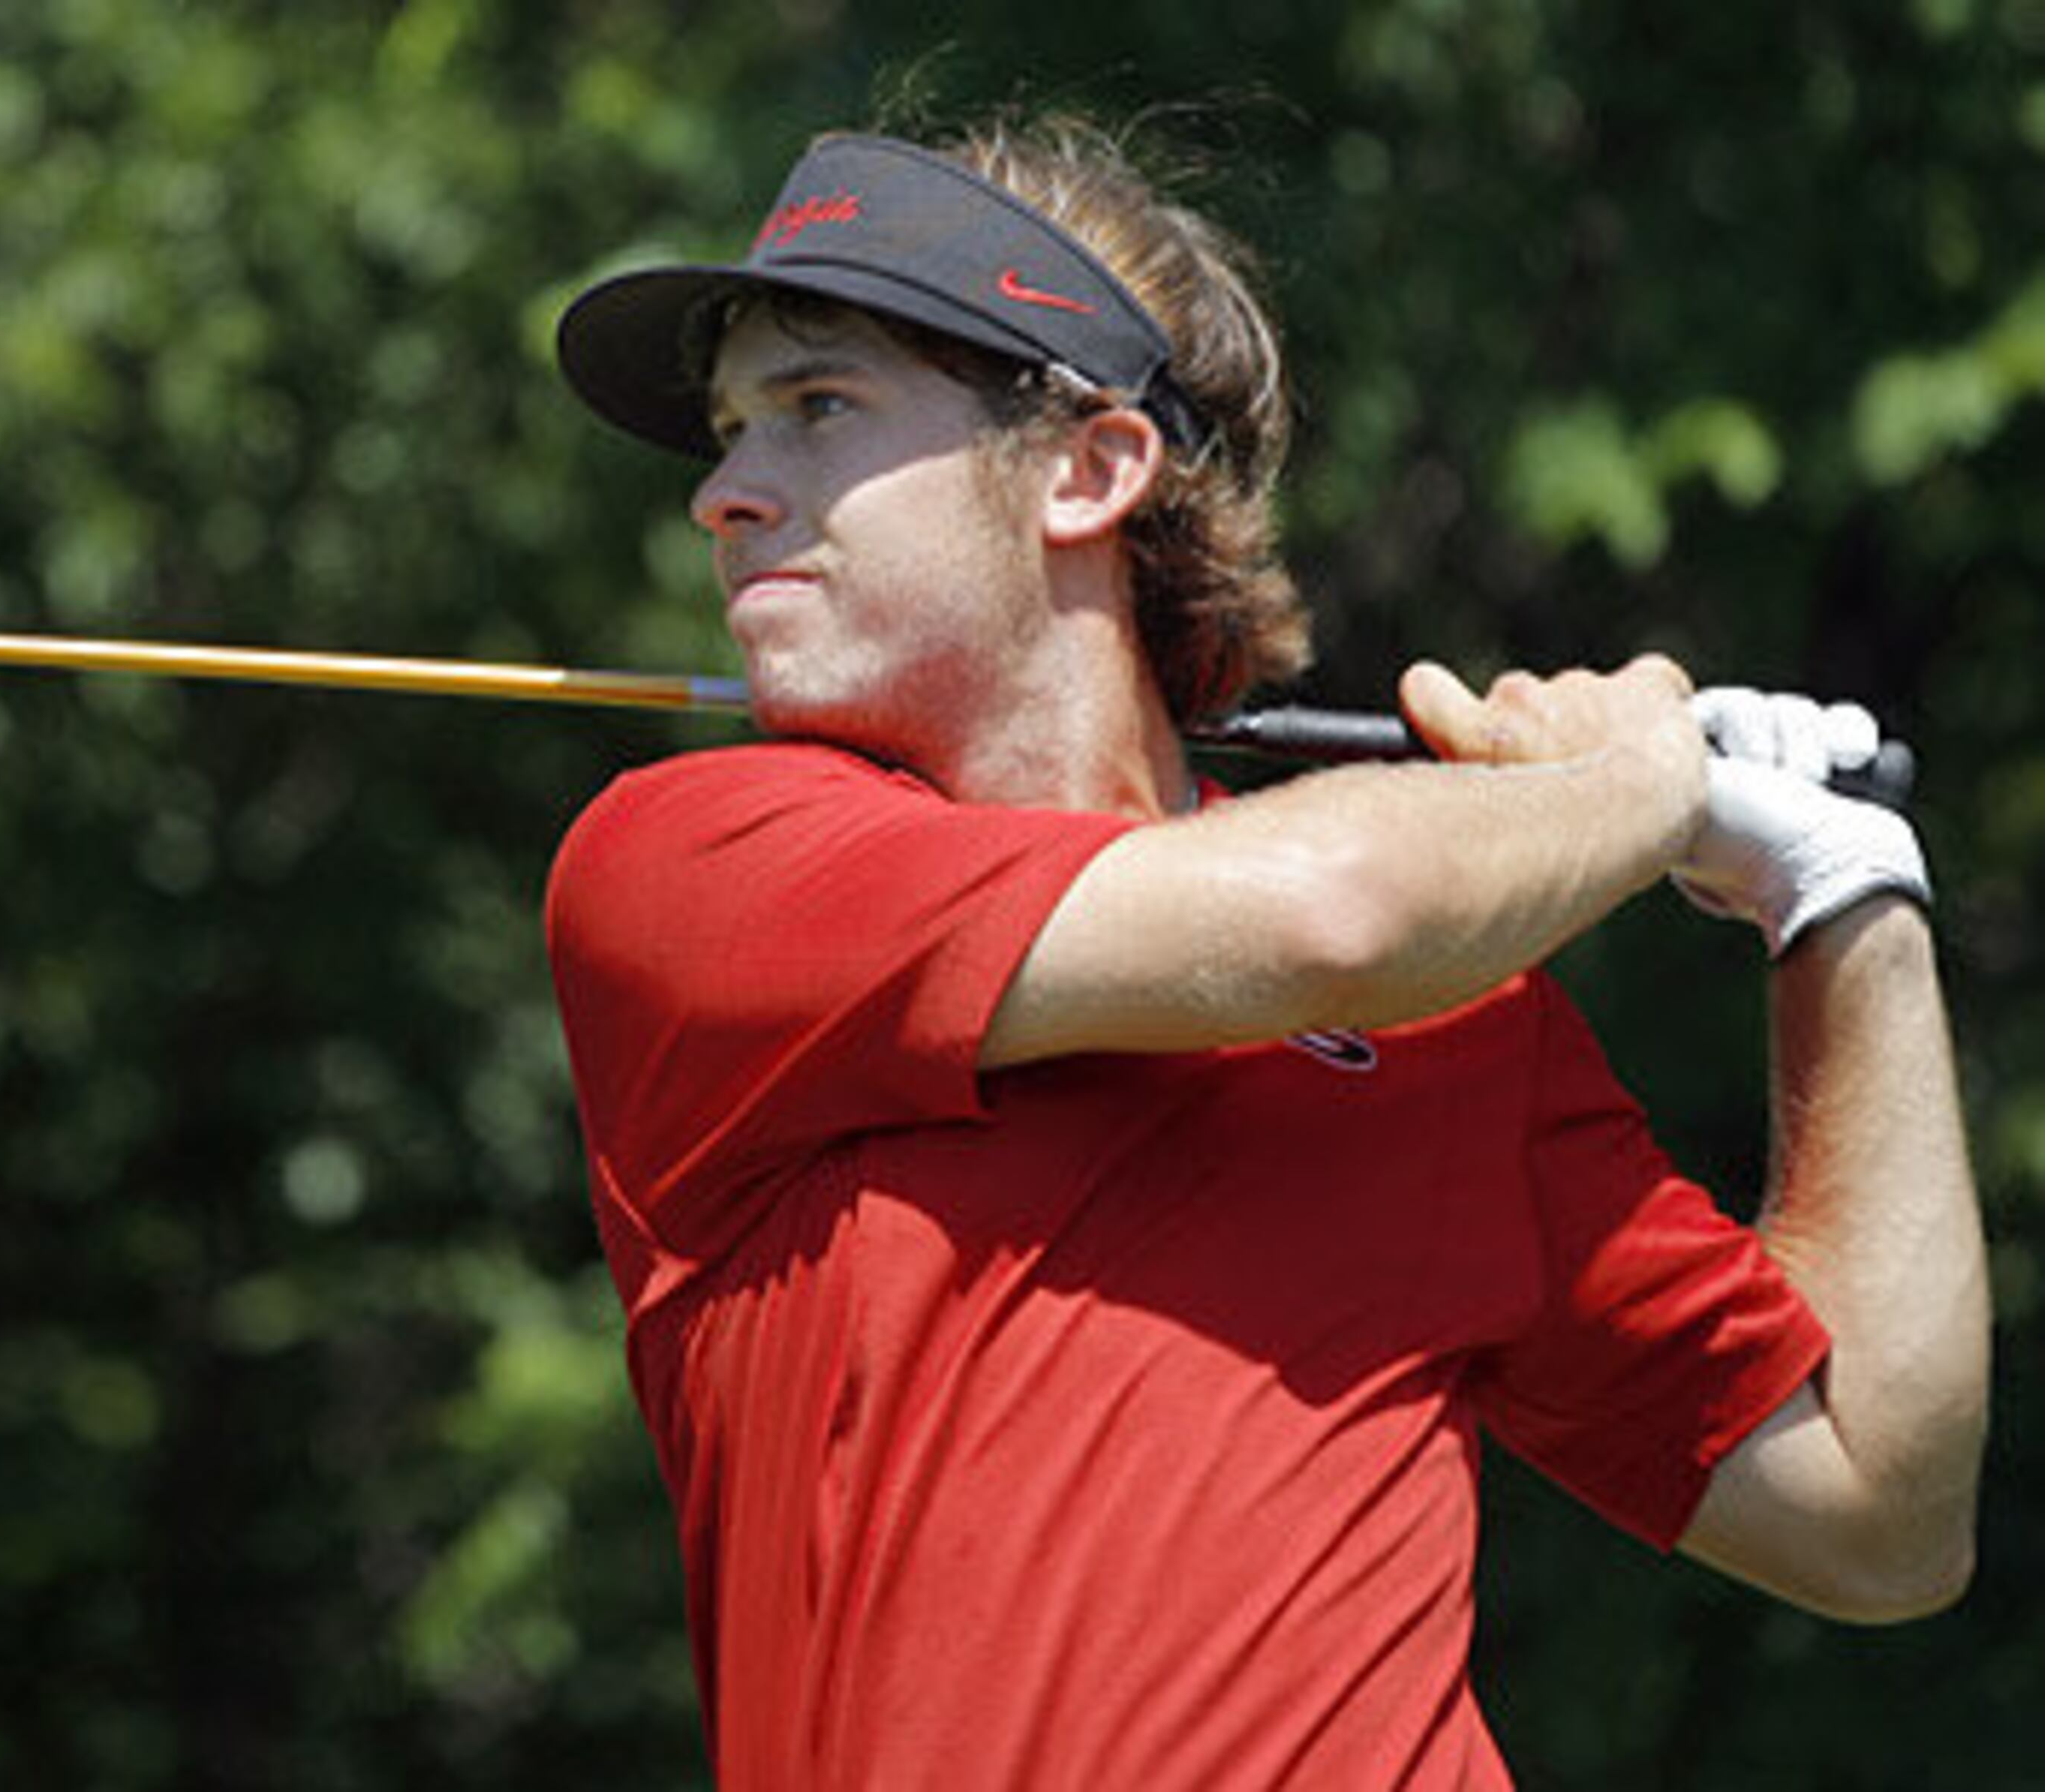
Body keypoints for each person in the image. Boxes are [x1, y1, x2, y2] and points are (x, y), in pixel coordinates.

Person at [539, 116, 1989, 1788]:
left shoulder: (1459, 1017)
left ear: (1087, 470)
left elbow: (1876, 1515)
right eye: (731, 431)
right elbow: (1328, 917)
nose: (723, 493)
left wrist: (1842, 897)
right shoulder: (696, 873)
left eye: (817, 408)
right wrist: (1644, 785)